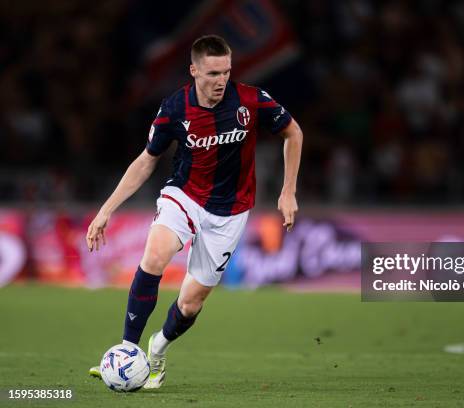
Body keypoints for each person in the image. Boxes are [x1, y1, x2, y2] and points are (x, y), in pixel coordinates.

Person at [86, 35, 303, 388]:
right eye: (213, 73)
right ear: (194, 70)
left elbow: (293, 133)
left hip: (230, 212)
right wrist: (106, 210)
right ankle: (126, 351)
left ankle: (156, 349)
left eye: (226, 72)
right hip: (184, 195)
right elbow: (146, 160)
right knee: (155, 255)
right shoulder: (174, 108)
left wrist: (288, 190)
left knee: (191, 303)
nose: (221, 81)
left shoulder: (250, 99)